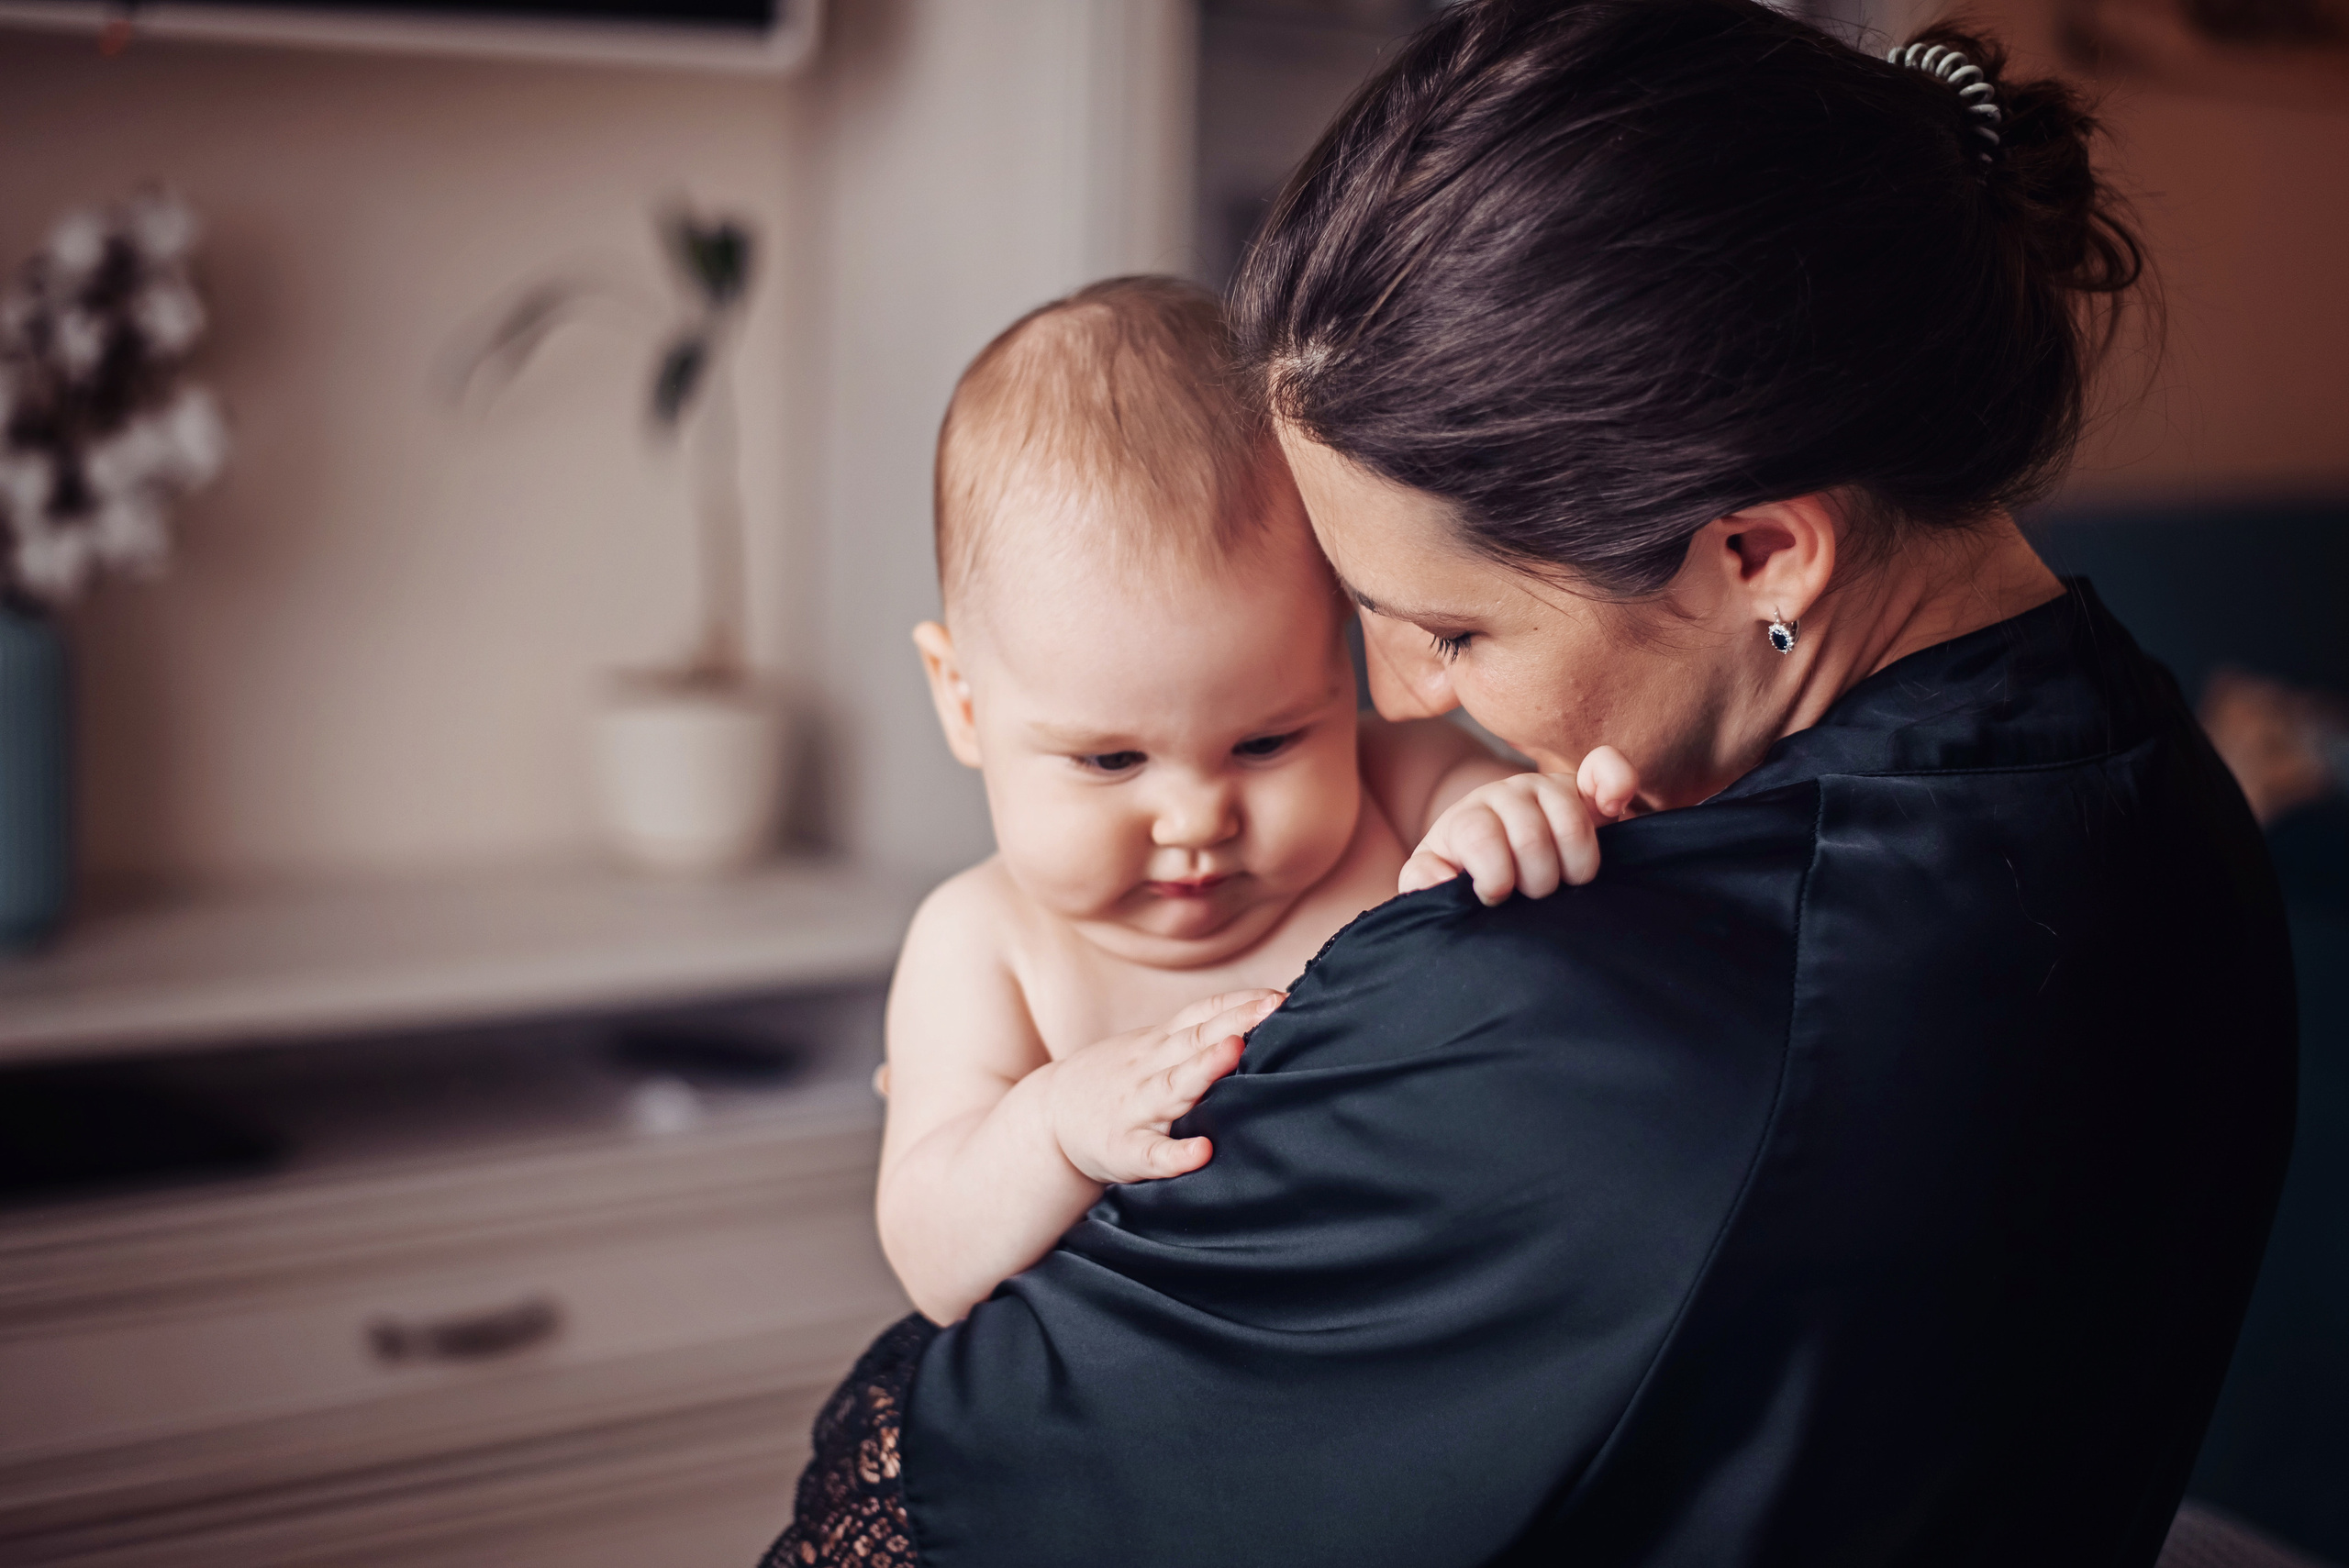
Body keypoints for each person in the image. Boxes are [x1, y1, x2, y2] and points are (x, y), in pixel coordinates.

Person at [765, 2, 2297, 1563]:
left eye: (1454, 629)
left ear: (1759, 549)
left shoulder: (1602, 998)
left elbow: (953, 1473)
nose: (1406, 698)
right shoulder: (2172, 800)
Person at [879, 276, 1631, 1326]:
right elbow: (929, 1251)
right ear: (962, 700)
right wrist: (1050, 1126)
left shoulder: (1401, 786)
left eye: (1268, 740)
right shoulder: (984, 945)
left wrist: (1510, 821)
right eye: (1109, 761)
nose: (1195, 818)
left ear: (1346, 664)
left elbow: (1522, 819)